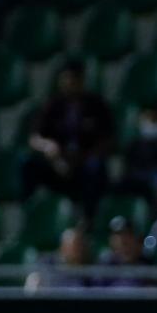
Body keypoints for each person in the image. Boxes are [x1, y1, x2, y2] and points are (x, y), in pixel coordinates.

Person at [24, 59, 113, 212]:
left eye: (72, 79)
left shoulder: (96, 104)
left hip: (84, 162)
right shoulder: (53, 104)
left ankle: (89, 217)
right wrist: (48, 147)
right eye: (65, 79)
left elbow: (109, 139)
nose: (68, 83)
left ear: (81, 80)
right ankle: (28, 210)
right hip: (57, 164)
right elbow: (34, 138)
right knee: (27, 164)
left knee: (95, 167)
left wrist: (84, 157)